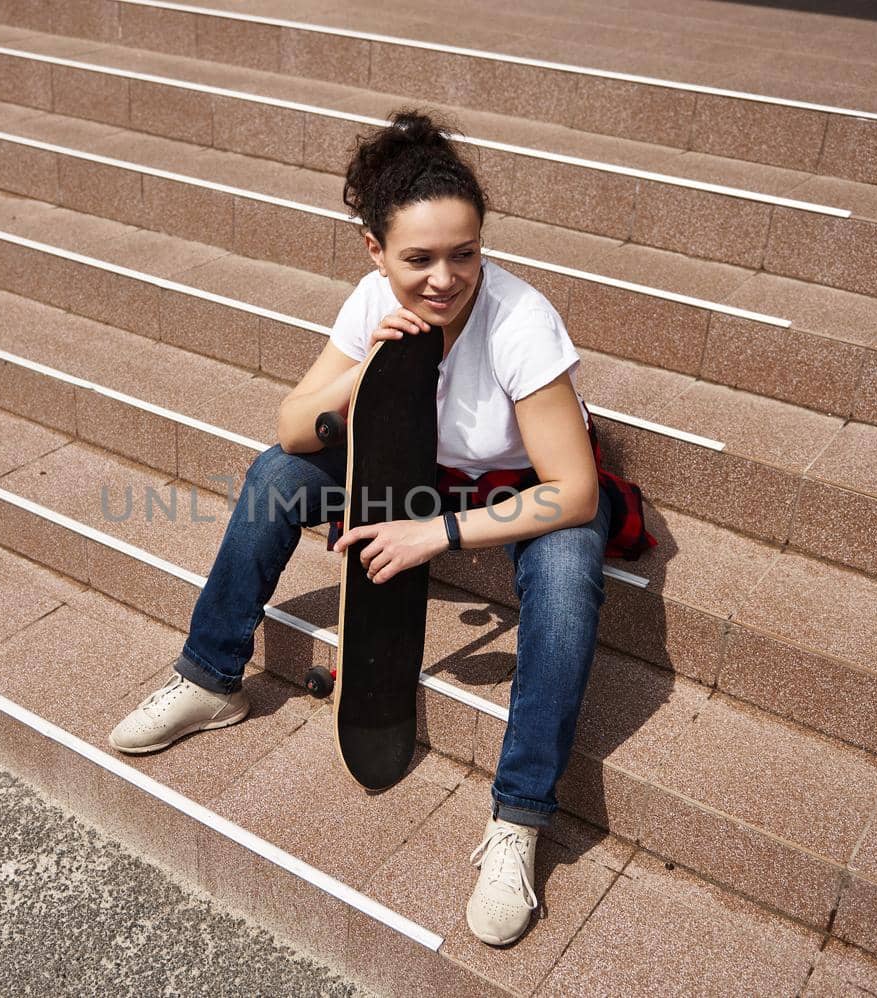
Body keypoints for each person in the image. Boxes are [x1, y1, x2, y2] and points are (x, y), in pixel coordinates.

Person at [108, 109, 653, 947]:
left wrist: (436, 538)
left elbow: (575, 492)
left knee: (569, 574)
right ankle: (213, 680)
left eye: (464, 254)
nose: (445, 278)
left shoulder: (520, 320)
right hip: (417, 470)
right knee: (274, 477)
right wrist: (365, 365)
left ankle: (519, 818)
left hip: (523, 488)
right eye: (419, 260)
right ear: (375, 251)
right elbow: (294, 428)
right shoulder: (371, 301)